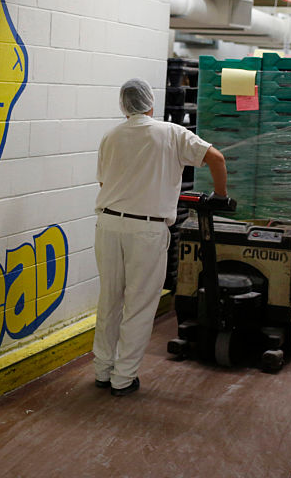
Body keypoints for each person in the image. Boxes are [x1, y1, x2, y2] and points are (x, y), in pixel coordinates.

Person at [93, 77, 228, 396]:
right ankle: (123, 378)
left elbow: (104, 184)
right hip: (147, 230)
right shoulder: (171, 133)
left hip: (108, 225)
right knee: (139, 304)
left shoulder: (110, 136)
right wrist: (220, 196)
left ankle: (102, 370)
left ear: (124, 105)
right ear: (151, 103)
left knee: (109, 300)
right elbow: (217, 159)